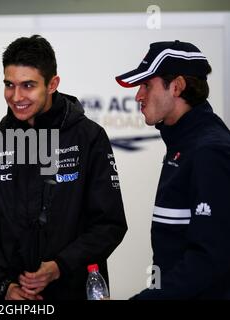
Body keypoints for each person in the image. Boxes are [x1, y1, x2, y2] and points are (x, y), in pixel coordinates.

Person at [0, 35, 127, 300]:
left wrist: (60, 266)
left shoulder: (89, 137)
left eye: (27, 85)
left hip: (76, 291)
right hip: (15, 298)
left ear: (52, 84)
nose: (16, 96)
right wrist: (3, 285)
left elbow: (110, 224)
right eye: (9, 85)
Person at [116, 40, 230, 299]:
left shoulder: (209, 151)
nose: (138, 96)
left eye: (146, 85)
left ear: (177, 86)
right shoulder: (182, 142)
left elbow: (209, 261)